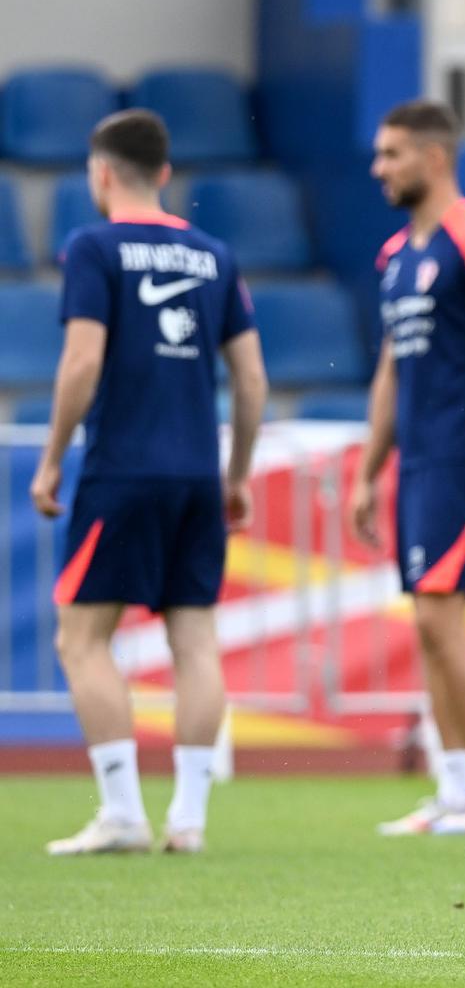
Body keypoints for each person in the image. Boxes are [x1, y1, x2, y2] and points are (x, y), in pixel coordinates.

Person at [32, 109, 267, 855]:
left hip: (123, 470)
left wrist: (51, 458)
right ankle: (189, 819)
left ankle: (123, 811)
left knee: (81, 638)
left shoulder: (93, 247)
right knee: (194, 639)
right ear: (164, 173)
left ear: (101, 173)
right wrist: (236, 474)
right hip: (197, 474)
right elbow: (252, 380)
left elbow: (82, 361)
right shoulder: (214, 255)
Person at [351, 100, 465, 837]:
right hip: (418, 460)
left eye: (390, 154)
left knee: (438, 615)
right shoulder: (395, 256)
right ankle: (455, 787)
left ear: (433, 157)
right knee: (428, 625)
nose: (378, 169)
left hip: (458, 455)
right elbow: (391, 369)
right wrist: (368, 470)